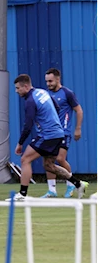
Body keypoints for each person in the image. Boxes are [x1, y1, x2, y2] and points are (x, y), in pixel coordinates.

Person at [10, 74, 87, 201]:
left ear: (25, 86)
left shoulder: (30, 101)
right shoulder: (42, 92)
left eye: (18, 88)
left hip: (48, 135)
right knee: (49, 165)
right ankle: (79, 184)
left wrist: (20, 143)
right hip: (57, 134)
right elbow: (56, 107)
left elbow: (28, 125)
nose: (16, 91)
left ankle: (22, 194)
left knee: (25, 159)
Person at [42, 68, 83, 198]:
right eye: (47, 81)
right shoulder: (46, 94)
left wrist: (78, 128)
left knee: (60, 159)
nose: (48, 84)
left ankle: (71, 183)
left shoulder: (67, 93)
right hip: (49, 132)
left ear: (58, 79)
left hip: (64, 132)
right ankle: (52, 190)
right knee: (48, 160)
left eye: (50, 81)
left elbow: (79, 110)